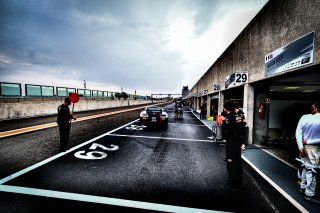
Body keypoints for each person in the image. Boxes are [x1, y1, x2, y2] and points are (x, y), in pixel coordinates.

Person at [295, 103, 320, 203]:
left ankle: (303, 187)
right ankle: (309, 194)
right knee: (313, 171)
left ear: (314, 108)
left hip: (305, 147)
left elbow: (298, 133)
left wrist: (301, 147)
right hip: (316, 148)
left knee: (306, 167)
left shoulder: (304, 117)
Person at [220, 100, 244, 192]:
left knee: (231, 164)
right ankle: (239, 183)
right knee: (238, 163)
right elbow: (242, 130)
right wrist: (242, 141)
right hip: (238, 143)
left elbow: (231, 133)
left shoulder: (228, 119)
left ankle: (231, 185)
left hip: (232, 144)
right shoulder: (238, 116)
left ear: (225, 108)